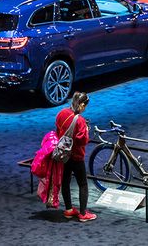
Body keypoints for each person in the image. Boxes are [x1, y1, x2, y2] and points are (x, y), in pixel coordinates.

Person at [56, 92, 95, 222]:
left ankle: (68, 210)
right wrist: (87, 130)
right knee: (83, 184)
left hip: (63, 154)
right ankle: (83, 214)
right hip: (76, 156)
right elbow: (82, 141)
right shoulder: (80, 120)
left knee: (65, 182)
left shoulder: (62, 113)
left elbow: (58, 130)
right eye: (85, 106)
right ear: (82, 105)